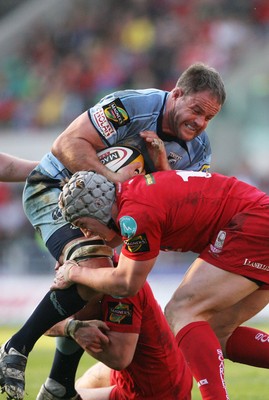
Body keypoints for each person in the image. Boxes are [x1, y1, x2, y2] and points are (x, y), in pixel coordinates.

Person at [0, 62, 227, 400]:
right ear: (176, 94)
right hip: (54, 190)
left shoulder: (199, 150)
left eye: (209, 117)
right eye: (196, 110)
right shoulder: (131, 107)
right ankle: (16, 347)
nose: (200, 123)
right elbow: (68, 144)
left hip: (111, 222)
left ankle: (59, 385)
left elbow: (175, 215)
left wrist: (163, 170)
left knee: (96, 288)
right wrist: (121, 185)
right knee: (92, 269)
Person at [52, 169, 269, 399]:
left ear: (97, 207)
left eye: (83, 223)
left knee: (181, 311)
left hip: (254, 225)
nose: (86, 233)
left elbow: (126, 283)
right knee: (215, 333)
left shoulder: (132, 215)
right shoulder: (135, 193)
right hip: (258, 221)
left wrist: (74, 272)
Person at [41, 255, 192, 400]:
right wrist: (71, 328)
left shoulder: (122, 287)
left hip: (156, 390)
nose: (57, 266)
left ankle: (58, 388)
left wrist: (76, 329)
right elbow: (42, 321)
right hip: (142, 375)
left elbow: (119, 359)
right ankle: (59, 385)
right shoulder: (86, 269)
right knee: (80, 384)